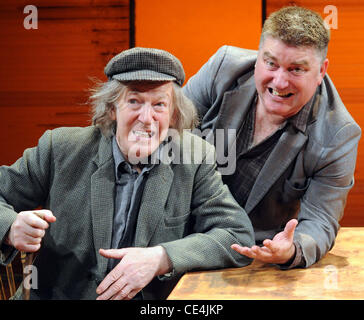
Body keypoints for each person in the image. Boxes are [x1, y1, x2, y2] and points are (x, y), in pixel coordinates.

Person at [0, 47, 255, 300]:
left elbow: (236, 235)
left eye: (159, 105)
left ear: (173, 114)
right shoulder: (60, 148)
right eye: (134, 101)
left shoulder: (194, 158)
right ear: (112, 109)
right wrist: (11, 227)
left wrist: (161, 258)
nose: (146, 118)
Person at [183, 6, 361, 269]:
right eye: (271, 63)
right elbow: (169, 130)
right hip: (182, 230)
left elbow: (321, 220)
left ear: (321, 70)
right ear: (258, 57)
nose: (279, 82)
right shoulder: (223, 67)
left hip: (249, 254)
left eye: (296, 69)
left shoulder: (338, 134)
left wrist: (292, 249)